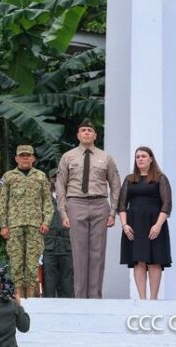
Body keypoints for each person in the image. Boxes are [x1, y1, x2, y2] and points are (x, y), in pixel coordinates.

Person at [56, 119, 120, 299]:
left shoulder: (105, 157)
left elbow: (115, 185)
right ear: (78, 135)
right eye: (83, 130)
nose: (86, 133)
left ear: (95, 135)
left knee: (97, 253)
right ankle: (80, 298)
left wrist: (113, 212)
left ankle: (95, 297)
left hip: (100, 205)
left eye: (89, 131)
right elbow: (60, 185)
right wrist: (63, 212)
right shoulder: (68, 157)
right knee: (79, 252)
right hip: (76, 203)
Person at [0, 144, 52, 298]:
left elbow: (47, 201)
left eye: (28, 155)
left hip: (35, 226)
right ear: (16, 158)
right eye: (22, 155)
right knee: (16, 263)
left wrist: (46, 222)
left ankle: (32, 298)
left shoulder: (40, 176)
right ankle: (18, 297)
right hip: (14, 226)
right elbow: (2, 203)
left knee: (33, 264)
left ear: (33, 158)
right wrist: (3, 225)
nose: (25, 158)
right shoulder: (8, 177)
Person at [118, 146, 172, 300]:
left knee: (155, 261)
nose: (140, 159)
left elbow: (167, 204)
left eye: (143, 156)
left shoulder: (160, 178)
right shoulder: (129, 179)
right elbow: (122, 205)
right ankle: (142, 299)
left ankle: (153, 299)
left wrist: (158, 225)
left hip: (155, 224)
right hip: (133, 224)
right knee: (138, 261)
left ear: (151, 159)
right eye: (137, 157)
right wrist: (124, 225)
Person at [42, 168, 74, 298]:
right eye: (54, 177)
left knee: (67, 282)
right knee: (49, 281)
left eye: (60, 177)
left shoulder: (71, 199)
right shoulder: (44, 199)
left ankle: (69, 312)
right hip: (49, 244)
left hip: (67, 243)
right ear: (50, 180)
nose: (57, 180)